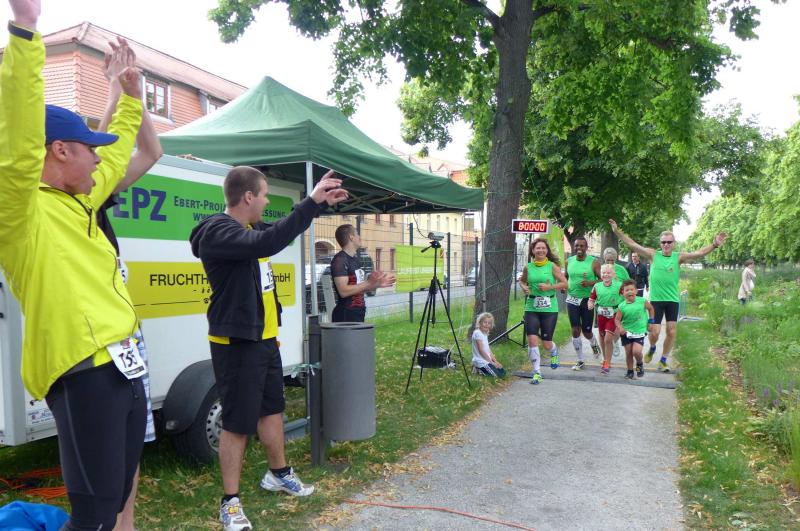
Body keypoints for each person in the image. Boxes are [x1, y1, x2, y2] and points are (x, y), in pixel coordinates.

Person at [0, 2, 148, 529]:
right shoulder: (20, 210)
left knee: (116, 498)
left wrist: (132, 95)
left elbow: (120, 150)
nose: (99, 159)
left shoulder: (81, 199)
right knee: (95, 511)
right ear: (60, 151)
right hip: (84, 372)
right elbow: (18, 143)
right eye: (90, 149)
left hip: (125, 365)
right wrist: (25, 30)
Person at [190, 166, 347, 531]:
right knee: (237, 423)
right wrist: (310, 202)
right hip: (237, 343)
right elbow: (267, 242)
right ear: (248, 196)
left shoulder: (251, 230)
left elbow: (278, 233)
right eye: (263, 196)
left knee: (272, 409)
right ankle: (230, 502)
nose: (265, 203)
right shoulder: (218, 232)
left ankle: (278, 474)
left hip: (264, 339)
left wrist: (317, 206)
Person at [93, 37, 164, 531]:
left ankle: (127, 524)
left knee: (131, 439)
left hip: (126, 335)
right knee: (101, 447)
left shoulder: (95, 194)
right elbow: (97, 153)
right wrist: (115, 94)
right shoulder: (63, 201)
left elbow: (151, 150)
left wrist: (129, 93)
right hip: (91, 338)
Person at [610, 219, 726, 372]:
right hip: (656, 300)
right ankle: (652, 347)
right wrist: (617, 231)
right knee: (655, 332)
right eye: (663, 242)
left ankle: (663, 360)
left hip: (672, 300)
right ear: (660, 243)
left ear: (674, 243)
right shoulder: (653, 254)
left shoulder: (678, 257)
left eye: (669, 242)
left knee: (671, 331)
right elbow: (633, 244)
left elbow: (699, 253)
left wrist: (714, 245)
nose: (666, 245)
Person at [518, 238, 568, 384]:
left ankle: (553, 351)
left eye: (543, 248)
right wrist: (524, 287)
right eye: (538, 248)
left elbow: (565, 283)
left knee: (546, 343)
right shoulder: (528, 267)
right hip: (531, 307)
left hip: (549, 308)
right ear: (533, 251)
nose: (540, 250)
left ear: (547, 251)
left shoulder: (552, 266)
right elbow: (522, 280)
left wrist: (549, 287)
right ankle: (536, 372)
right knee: (532, 340)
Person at [330, 224, 395, 322]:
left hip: (357, 313)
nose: (359, 237)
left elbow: (359, 288)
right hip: (345, 316)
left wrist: (376, 284)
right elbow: (343, 291)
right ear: (351, 237)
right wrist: (369, 282)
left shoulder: (355, 260)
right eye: (357, 234)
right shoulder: (340, 260)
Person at [564, 236, 602, 370]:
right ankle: (580, 360)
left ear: (586, 248)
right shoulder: (569, 261)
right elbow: (565, 277)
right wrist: (563, 286)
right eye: (577, 246)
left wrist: (590, 283)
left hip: (587, 300)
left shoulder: (594, 262)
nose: (579, 248)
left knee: (587, 331)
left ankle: (594, 344)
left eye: (581, 246)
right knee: (575, 329)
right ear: (574, 247)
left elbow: (602, 280)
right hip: (572, 299)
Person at [614, 279, 656, 380]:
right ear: (623, 293)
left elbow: (651, 309)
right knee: (629, 352)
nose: (630, 292)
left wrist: (651, 321)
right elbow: (617, 320)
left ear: (636, 291)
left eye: (632, 289)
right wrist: (620, 328)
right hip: (627, 332)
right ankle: (630, 371)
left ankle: (639, 364)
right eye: (627, 290)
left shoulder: (642, 301)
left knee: (636, 352)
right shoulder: (622, 306)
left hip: (639, 331)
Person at [587, 264, 623, 375]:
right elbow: (591, 299)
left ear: (613, 274)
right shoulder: (597, 286)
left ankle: (607, 363)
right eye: (603, 273)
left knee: (608, 339)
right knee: (602, 337)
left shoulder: (619, 285)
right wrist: (590, 304)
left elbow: (626, 297)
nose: (605, 275)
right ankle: (605, 357)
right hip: (601, 314)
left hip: (614, 313)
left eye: (608, 273)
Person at [471, 312, 506, 377]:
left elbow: (488, 350)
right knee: (499, 375)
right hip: (481, 361)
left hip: (486, 359)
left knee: (502, 372)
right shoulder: (477, 333)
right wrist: (491, 362)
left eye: (489, 323)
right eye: (485, 322)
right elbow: (481, 350)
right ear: (480, 322)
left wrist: (496, 362)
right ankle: (478, 368)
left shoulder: (485, 333)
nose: (487, 324)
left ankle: (481, 369)